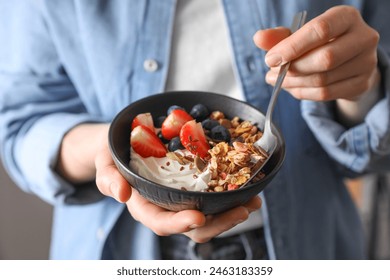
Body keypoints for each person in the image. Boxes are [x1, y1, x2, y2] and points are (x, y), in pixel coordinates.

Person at [0, 0, 389, 260]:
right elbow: (22, 122)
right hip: (117, 248)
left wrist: (365, 85)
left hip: (308, 243)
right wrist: (103, 148)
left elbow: (373, 148)